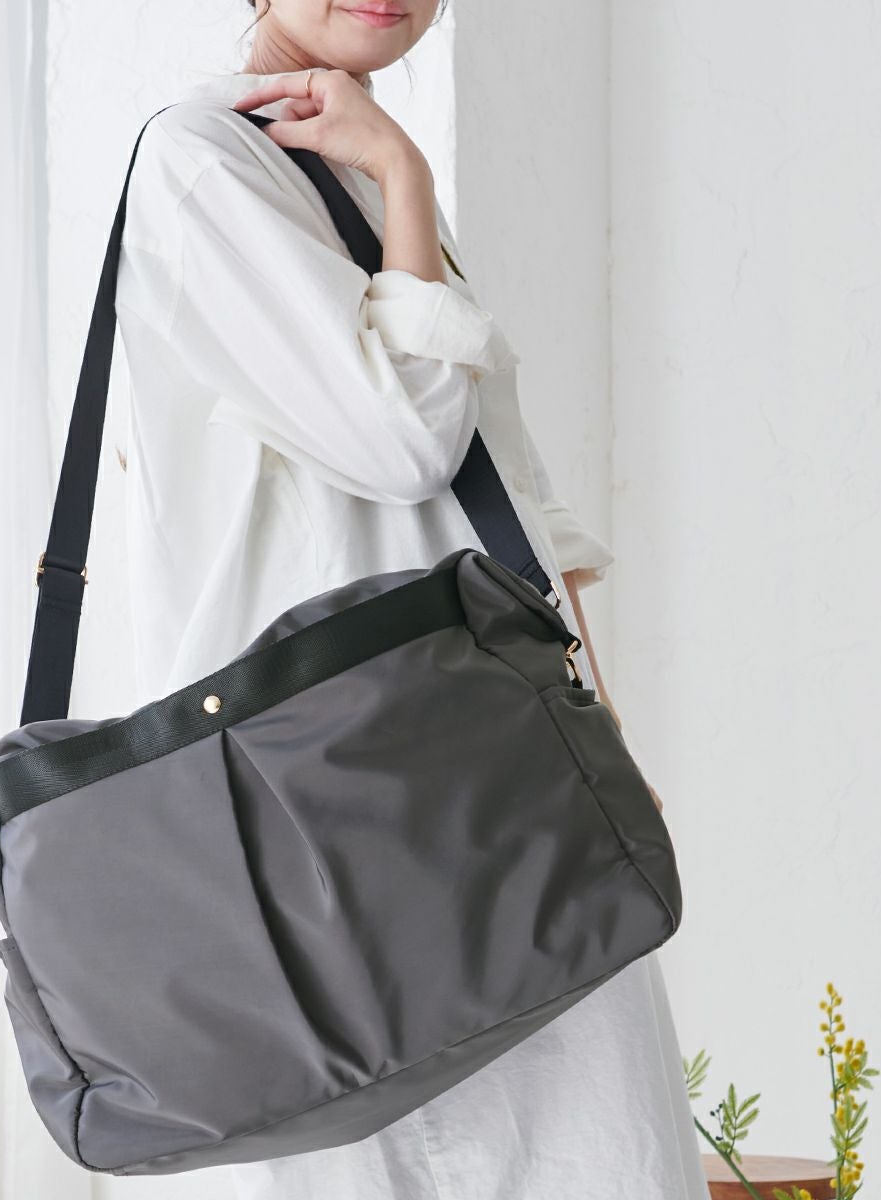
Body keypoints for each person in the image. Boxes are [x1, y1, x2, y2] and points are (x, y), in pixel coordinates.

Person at [111, 1, 705, 1196]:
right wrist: (402, 167)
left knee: (592, 1139)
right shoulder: (203, 161)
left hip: (477, 752)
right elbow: (402, 446)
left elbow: (505, 496)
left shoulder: (337, 168)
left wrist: (594, 719)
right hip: (328, 780)